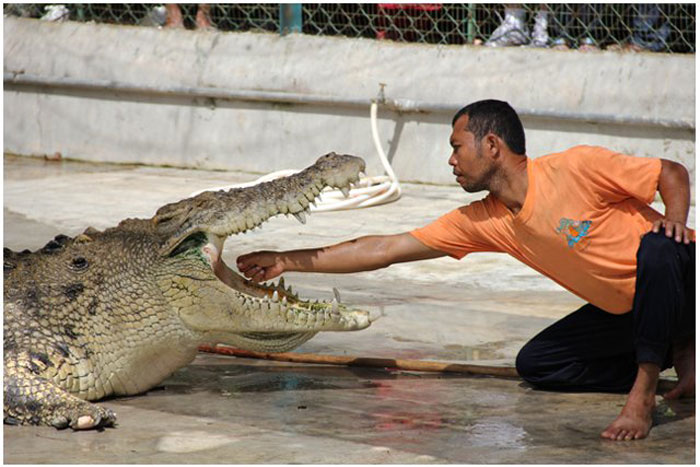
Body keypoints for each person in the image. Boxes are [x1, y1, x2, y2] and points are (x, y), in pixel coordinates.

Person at [237, 99, 695, 441]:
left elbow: (669, 171)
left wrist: (675, 220)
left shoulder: (574, 167)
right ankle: (674, 350)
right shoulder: (485, 220)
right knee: (539, 364)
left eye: (457, 147)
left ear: (492, 145)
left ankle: (644, 389)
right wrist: (285, 260)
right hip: (632, 311)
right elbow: (384, 248)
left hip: (684, 277)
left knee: (656, 249)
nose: (451, 160)